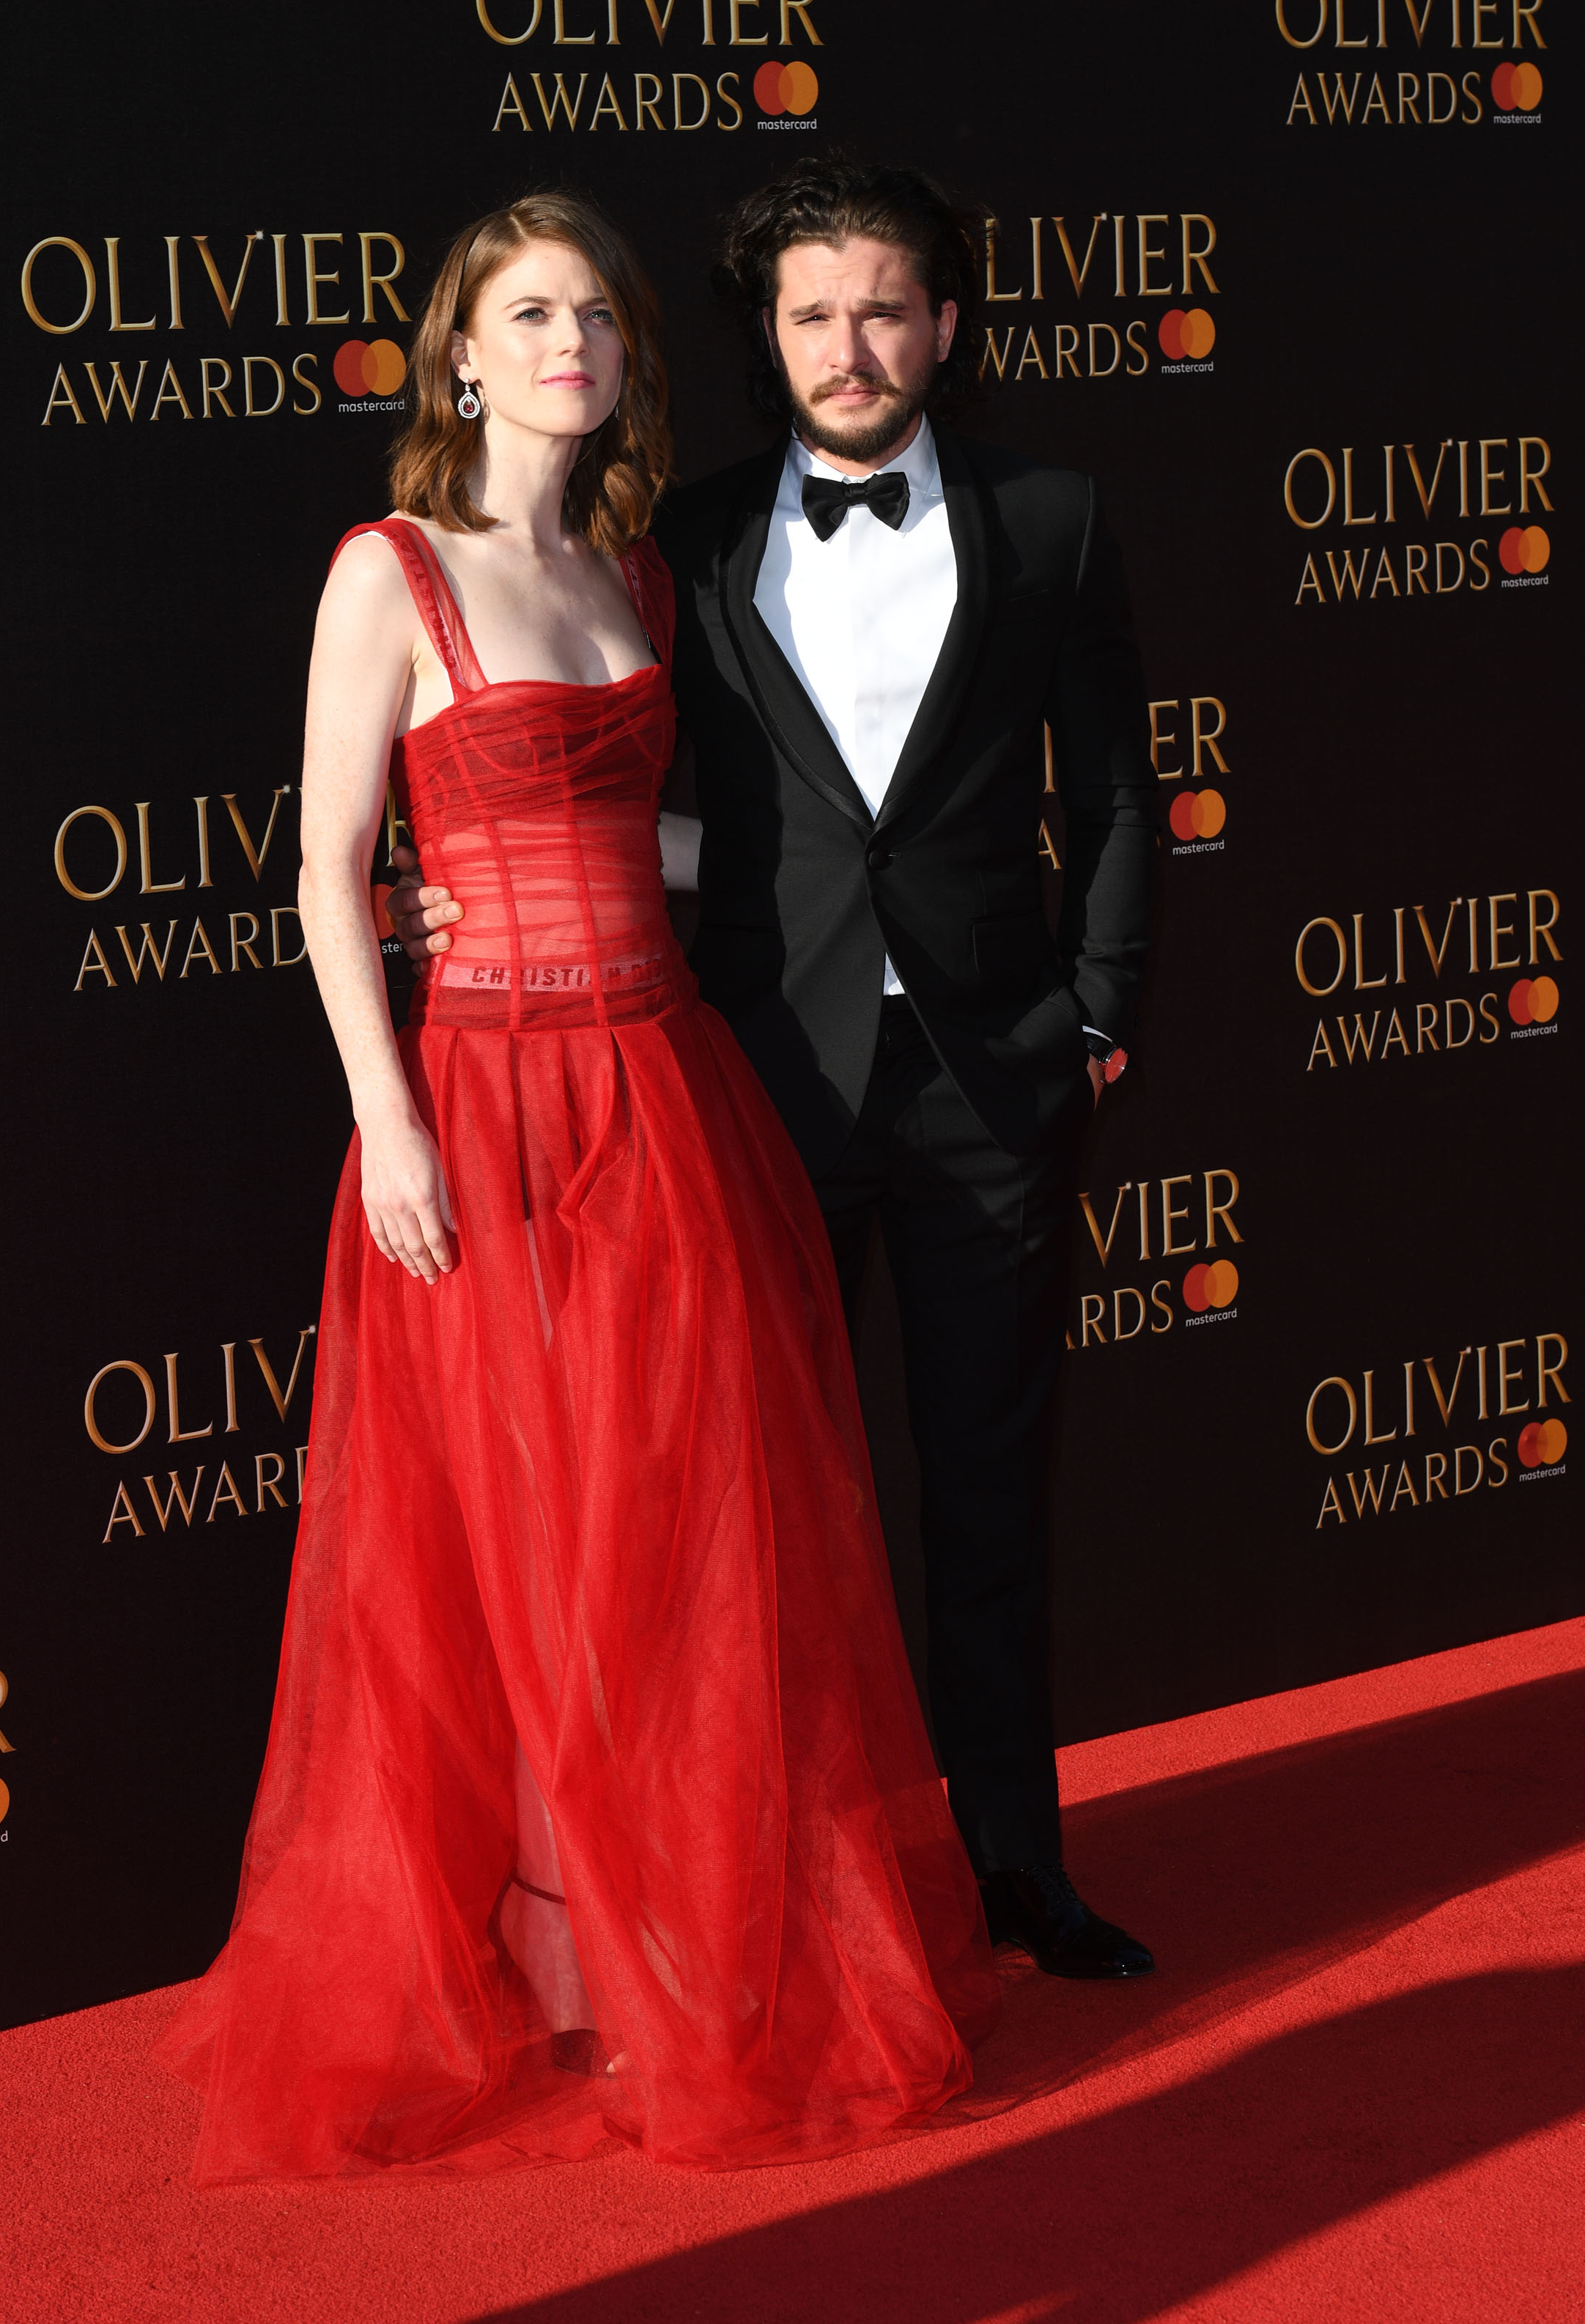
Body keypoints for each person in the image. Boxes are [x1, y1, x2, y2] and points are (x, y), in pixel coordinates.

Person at [157, 193, 998, 2183]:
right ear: (458, 354)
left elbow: (655, 840)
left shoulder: (630, 570)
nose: (570, 344)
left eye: (599, 317)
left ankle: (661, 1946)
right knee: (517, 1548)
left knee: (666, 1536)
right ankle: (552, 1958)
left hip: (661, 1091)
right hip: (484, 1106)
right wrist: (387, 1117)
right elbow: (326, 866)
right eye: (529, 313)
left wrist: (860, 870)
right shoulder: (389, 570)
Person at [394, 158, 1159, 1981]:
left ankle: (1014, 1869)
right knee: (737, 1524)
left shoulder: (1049, 521)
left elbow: (1120, 796)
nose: (848, 346)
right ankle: (767, 1894)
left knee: (988, 1499)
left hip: (991, 1083)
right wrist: (476, 872)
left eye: (883, 309)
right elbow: (630, 797)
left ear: (942, 328)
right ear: (768, 336)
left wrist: (1097, 1015)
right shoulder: (683, 542)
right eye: (812, 314)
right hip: (751, 1091)